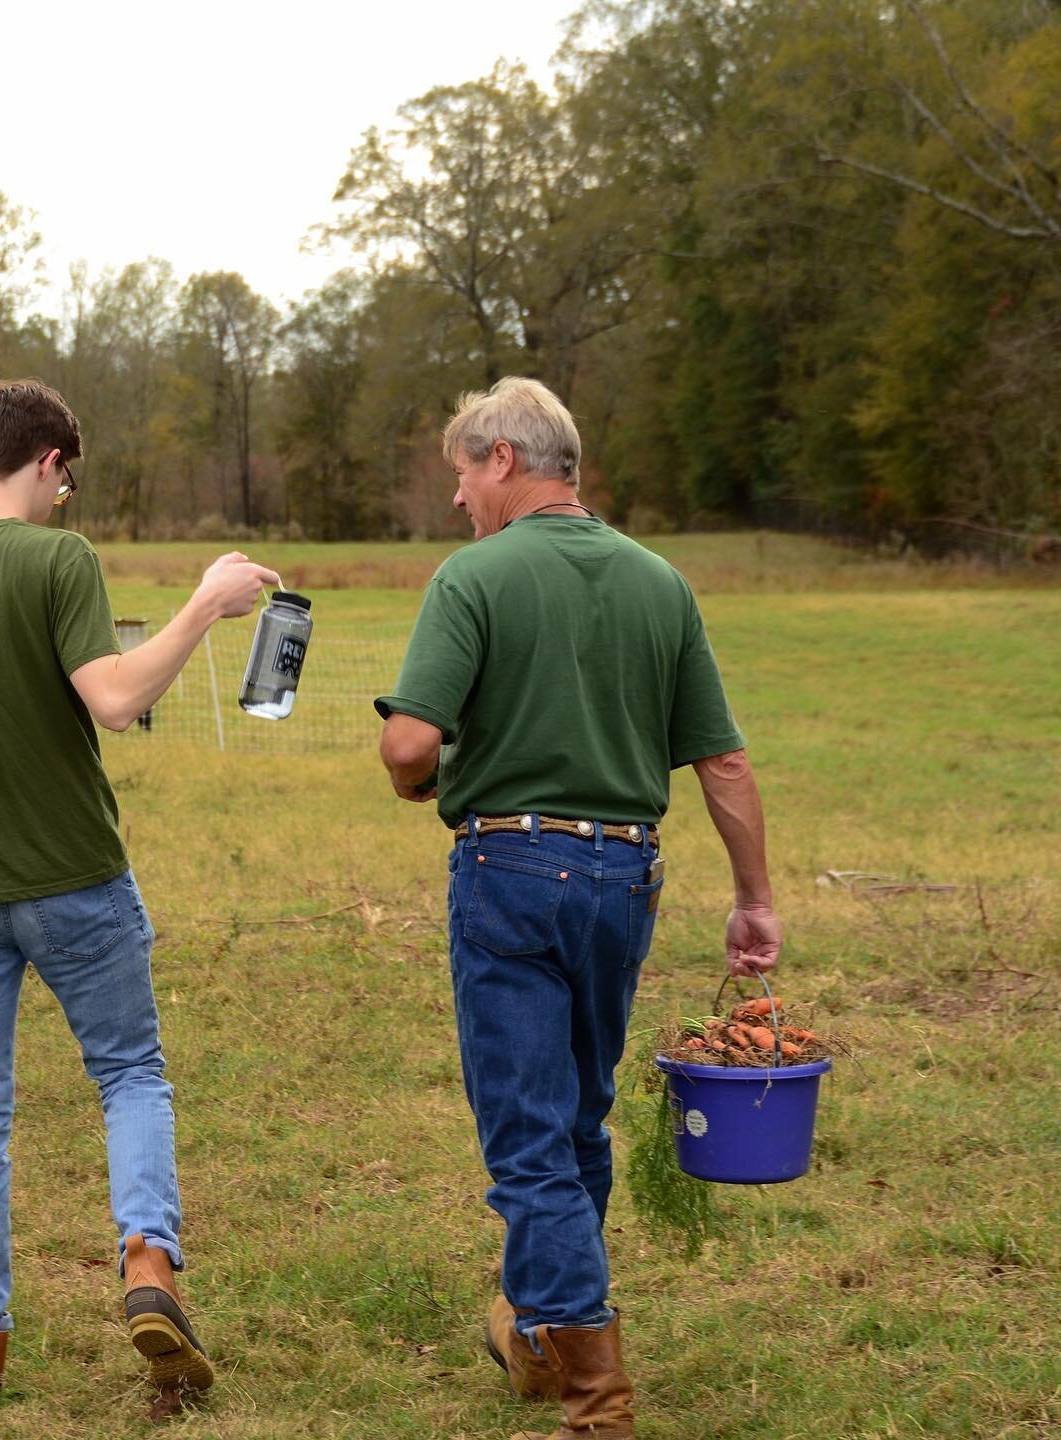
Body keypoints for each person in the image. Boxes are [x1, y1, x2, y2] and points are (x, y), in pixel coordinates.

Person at [0, 378, 279, 1408]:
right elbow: (117, 701)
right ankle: (147, 1265)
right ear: (44, 462)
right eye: (64, 481)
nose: (64, 501)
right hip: (77, 876)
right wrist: (206, 607)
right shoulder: (58, 560)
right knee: (129, 1072)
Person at [375, 377, 781, 1440]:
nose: (460, 496)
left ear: (504, 459)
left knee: (527, 1142)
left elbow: (408, 746)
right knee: (578, 1118)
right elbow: (724, 761)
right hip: (625, 877)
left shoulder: (473, 579)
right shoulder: (662, 583)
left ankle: (596, 1404)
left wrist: (437, 770)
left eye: (465, 471)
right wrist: (754, 900)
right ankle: (541, 1335)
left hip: (510, 873)